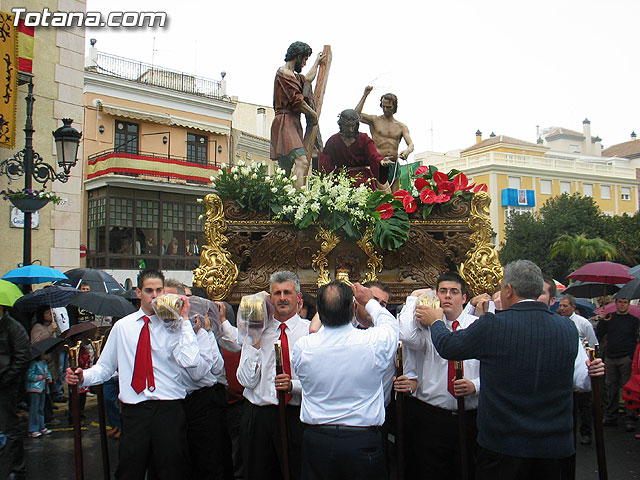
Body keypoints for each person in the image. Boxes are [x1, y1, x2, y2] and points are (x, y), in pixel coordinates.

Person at [419, 260, 604, 480]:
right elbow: (581, 380)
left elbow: (449, 347)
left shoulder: (494, 325)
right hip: (554, 448)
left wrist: (436, 322)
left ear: (509, 290)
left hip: (504, 447)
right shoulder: (568, 328)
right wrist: (593, 372)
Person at [65, 269, 200, 480]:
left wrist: (183, 321)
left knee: (171, 471)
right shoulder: (122, 327)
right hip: (135, 412)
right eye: (148, 290)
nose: (154, 296)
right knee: (130, 470)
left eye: (158, 291)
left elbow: (191, 362)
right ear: (138, 292)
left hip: (168, 409)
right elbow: (105, 368)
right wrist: (83, 377)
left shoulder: (175, 326)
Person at [292, 281, 398, 480]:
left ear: (320, 313)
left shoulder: (304, 347)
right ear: (353, 309)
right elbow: (391, 326)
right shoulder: (372, 342)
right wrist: (370, 302)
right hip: (360, 441)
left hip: (318, 442)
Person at [399, 272, 480, 480]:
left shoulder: (477, 326)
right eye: (442, 291)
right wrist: (413, 299)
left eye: (454, 292)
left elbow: (494, 367)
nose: (447, 296)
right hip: (433, 416)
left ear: (464, 298)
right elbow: (406, 335)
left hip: (470, 416)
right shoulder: (428, 327)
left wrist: (476, 385)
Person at [236, 271, 310, 480]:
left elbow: (320, 383)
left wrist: (293, 386)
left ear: (299, 298)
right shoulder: (257, 329)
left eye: (287, 292)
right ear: (270, 298)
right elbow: (245, 380)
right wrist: (256, 342)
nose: (282, 298)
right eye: (277, 293)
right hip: (260, 416)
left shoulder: (309, 333)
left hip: (296, 415)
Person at [270, 41, 324, 189]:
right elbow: (297, 101)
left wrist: (317, 63)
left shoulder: (292, 76)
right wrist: (313, 114)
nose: (305, 63)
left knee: (285, 169)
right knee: (302, 161)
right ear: (298, 56)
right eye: (305, 59)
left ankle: (274, 199)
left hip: (290, 123)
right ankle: (297, 200)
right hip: (285, 123)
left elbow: (307, 79)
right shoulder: (284, 74)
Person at [355, 86, 415, 191]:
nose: (385, 109)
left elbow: (411, 145)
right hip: (379, 163)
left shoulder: (401, 126)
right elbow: (355, 115)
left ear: (394, 107)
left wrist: (407, 151)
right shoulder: (374, 120)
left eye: (388, 107)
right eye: (383, 106)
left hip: (394, 164)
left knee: (395, 199)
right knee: (387, 193)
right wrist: (365, 95)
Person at [557, 293, 598, 444]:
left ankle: (586, 432)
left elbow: (593, 345)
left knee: (583, 404)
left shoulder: (583, 323)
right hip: (564, 367)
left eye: (565, 306)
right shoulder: (557, 322)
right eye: (560, 305)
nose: (561, 308)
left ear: (573, 308)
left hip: (581, 365)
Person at [596, 297, 640, 432]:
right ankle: (611, 416)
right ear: (616, 304)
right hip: (611, 357)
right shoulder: (610, 318)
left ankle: (629, 417)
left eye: (625, 302)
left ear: (628, 304)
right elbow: (599, 334)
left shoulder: (634, 321)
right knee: (611, 387)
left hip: (626, 357)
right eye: (620, 302)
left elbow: (637, 339)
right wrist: (602, 321)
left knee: (628, 389)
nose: (622, 305)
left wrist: (631, 357)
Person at [318, 109, 387, 189]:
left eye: (353, 126)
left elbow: (373, 156)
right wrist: (316, 157)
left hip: (363, 181)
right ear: (341, 125)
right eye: (347, 126)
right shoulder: (333, 141)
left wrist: (381, 161)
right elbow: (326, 162)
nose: (351, 129)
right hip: (341, 182)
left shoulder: (364, 139)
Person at [0, 303, 30, 480]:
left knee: (10, 429)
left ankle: (18, 469)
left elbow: (22, 355)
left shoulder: (12, 327)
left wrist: (8, 378)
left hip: (5, 385)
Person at [25, 353, 53, 438]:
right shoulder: (33, 364)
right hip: (35, 388)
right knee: (35, 409)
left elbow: (47, 373)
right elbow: (29, 376)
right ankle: (33, 428)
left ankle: (41, 426)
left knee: (41, 409)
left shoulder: (44, 363)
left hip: (43, 388)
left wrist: (49, 378)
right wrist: (41, 377)